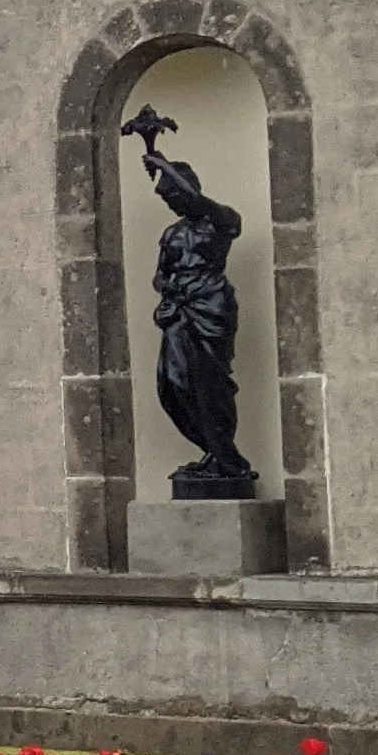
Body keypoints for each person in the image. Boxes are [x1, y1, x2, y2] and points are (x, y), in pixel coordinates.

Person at [127, 110, 256, 498]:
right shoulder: (172, 234)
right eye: (167, 200)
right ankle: (212, 453)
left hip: (211, 308)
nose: (171, 204)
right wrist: (167, 286)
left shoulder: (221, 221)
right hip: (179, 311)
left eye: (173, 195)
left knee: (212, 385)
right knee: (173, 383)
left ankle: (228, 460)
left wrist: (163, 163)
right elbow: (159, 275)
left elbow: (200, 201)